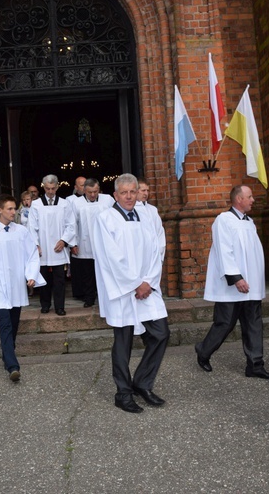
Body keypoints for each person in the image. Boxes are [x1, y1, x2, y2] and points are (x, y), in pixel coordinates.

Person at [92, 173, 170, 414]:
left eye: (132, 192)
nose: (128, 196)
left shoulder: (145, 218)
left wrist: (148, 282)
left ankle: (142, 383)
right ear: (115, 195)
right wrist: (135, 284)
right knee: (123, 343)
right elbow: (110, 257)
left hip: (147, 288)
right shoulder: (105, 219)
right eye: (123, 192)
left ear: (138, 193)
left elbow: (156, 250)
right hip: (123, 290)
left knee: (161, 333)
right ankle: (123, 393)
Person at [195, 185, 269, 379]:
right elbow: (224, 250)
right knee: (225, 323)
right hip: (232, 285)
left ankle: (255, 365)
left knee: (254, 323)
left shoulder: (249, 222)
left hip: (251, 285)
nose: (253, 200)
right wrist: (236, 277)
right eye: (250, 196)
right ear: (239, 199)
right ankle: (203, 352)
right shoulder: (224, 220)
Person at [0, 195, 45, 382]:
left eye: (14, 209)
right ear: (0, 210)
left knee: (13, 324)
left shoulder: (21, 231)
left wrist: (31, 275)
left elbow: (32, 255)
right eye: (10, 209)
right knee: (4, 323)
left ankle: (7, 354)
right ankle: (13, 366)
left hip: (16, 285)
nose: (14, 212)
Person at [28, 174, 76, 316]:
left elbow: (71, 225)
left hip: (58, 247)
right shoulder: (36, 205)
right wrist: (36, 245)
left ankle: (59, 306)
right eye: (47, 188)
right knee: (44, 278)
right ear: (44, 187)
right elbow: (32, 227)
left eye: (53, 188)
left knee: (59, 280)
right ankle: (45, 304)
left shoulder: (64, 204)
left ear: (57, 187)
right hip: (42, 247)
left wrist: (64, 241)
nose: (50, 192)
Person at [69, 178, 114, 308]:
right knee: (87, 273)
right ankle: (89, 298)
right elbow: (72, 224)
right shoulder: (76, 203)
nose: (93, 195)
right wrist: (73, 244)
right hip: (85, 243)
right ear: (84, 191)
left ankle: (107, 297)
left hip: (105, 243)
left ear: (99, 189)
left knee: (106, 271)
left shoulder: (108, 200)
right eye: (90, 192)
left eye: (95, 191)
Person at [134, 177, 166, 261]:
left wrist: (160, 251)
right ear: (136, 191)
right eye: (143, 190)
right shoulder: (131, 209)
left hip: (155, 254)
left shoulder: (152, 210)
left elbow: (159, 232)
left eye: (147, 191)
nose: (146, 193)